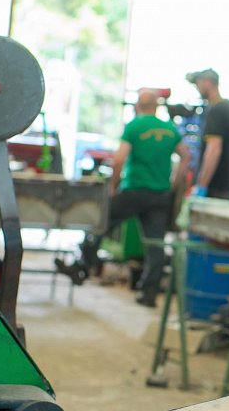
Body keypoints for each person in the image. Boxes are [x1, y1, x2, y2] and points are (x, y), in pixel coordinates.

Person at [56, 89, 190, 307]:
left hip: (134, 190)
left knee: (100, 224)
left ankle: (82, 267)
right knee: (155, 244)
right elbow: (186, 156)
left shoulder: (134, 126)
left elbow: (118, 160)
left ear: (138, 105)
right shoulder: (170, 130)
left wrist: (113, 186)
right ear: (156, 106)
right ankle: (148, 294)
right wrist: (174, 183)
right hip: (160, 195)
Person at [186, 68, 229, 199]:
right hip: (226, 187)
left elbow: (213, 149)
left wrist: (202, 186)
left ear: (207, 82)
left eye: (197, 83)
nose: (197, 87)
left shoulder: (216, 110)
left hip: (215, 188)